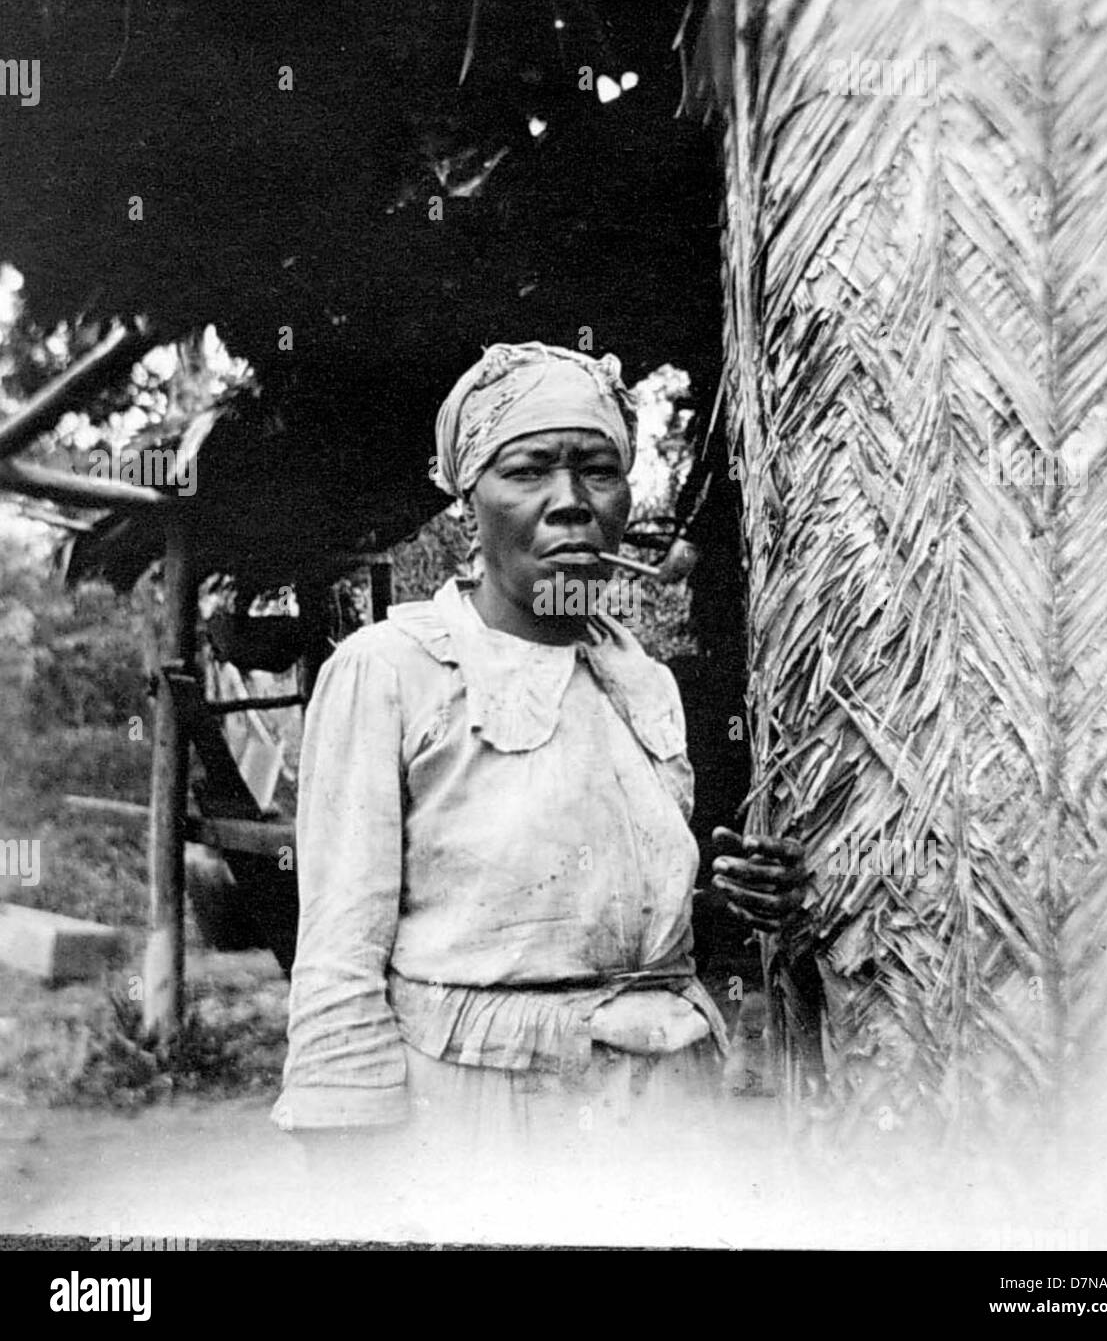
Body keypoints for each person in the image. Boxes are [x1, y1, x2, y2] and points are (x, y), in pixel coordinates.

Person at [271, 341, 806, 1204]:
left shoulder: (643, 681)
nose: (570, 505)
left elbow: (603, 913)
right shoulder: (392, 670)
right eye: (529, 471)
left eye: (598, 471)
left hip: (665, 1123)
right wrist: (352, 1185)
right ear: (466, 504)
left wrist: (736, 904)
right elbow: (338, 955)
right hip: (477, 1128)